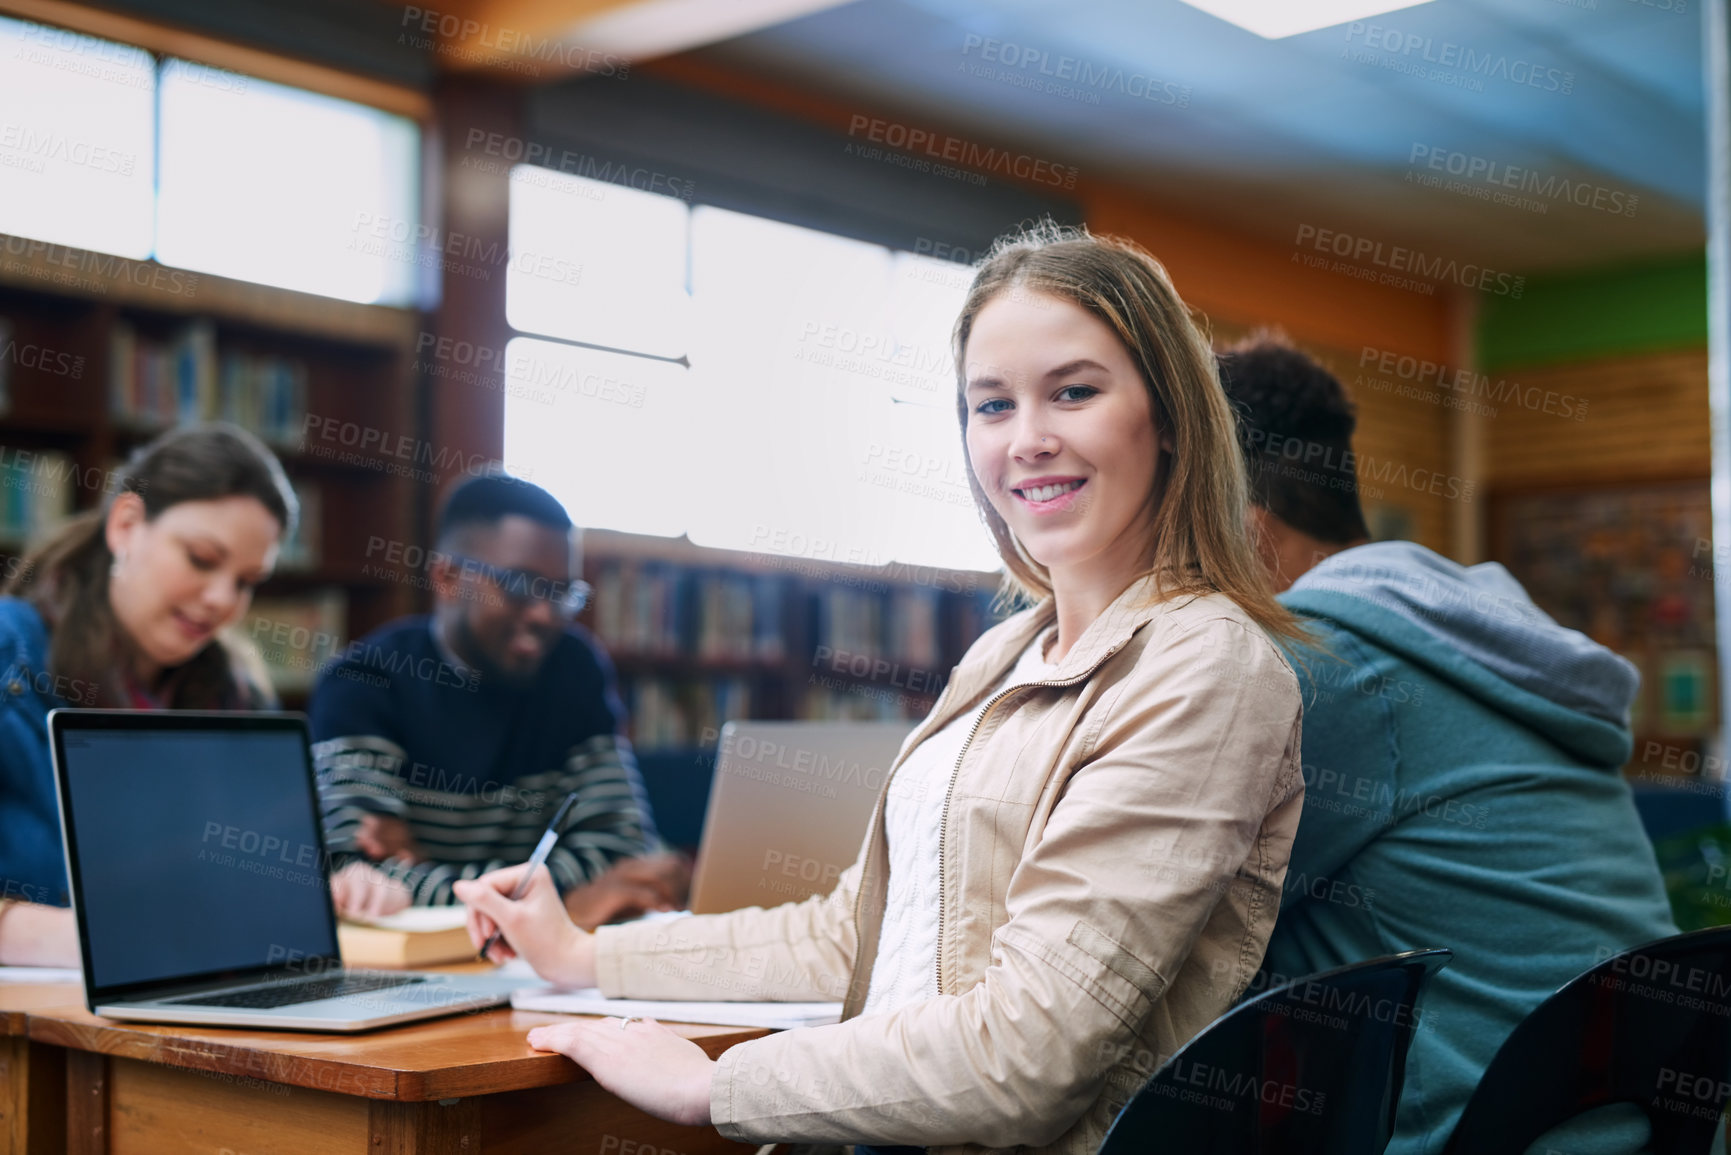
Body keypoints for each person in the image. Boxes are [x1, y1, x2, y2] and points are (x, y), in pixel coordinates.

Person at [453, 224, 1307, 1155]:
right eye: (991, 405)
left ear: (1170, 416)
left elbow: (1027, 1054)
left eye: (1073, 391)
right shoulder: (1004, 655)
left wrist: (718, 1084)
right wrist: (583, 953)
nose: (1027, 439)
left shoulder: (1203, 666)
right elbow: (849, 934)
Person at [1216, 334, 1678, 1155]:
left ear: (1248, 533)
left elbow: (1176, 923)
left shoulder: (1330, 666)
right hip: (1622, 1127)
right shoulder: (1462, 628)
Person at [309, 472, 684, 925]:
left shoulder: (574, 668)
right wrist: (569, 898)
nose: (545, 614)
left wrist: (435, 876)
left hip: (539, 967)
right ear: (447, 578)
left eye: (561, 592)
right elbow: (360, 882)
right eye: (520, 584)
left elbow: (622, 851)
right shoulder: (363, 682)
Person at [0, 423, 295, 966]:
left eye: (247, 580)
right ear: (127, 525)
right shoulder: (8, 653)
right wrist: (102, 939)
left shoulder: (238, 693)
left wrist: (327, 889)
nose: (220, 600)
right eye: (202, 559)